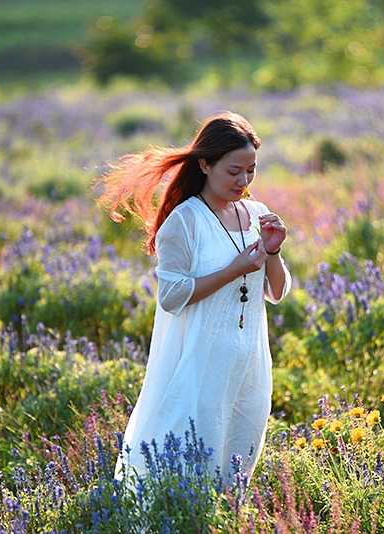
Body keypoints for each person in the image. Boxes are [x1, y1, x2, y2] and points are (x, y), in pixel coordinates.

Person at [96, 111, 290, 483]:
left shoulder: (257, 214)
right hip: (202, 361)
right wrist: (234, 270)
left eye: (251, 170)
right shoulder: (184, 221)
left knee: (236, 467)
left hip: (249, 360)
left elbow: (277, 292)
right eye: (234, 171)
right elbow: (172, 296)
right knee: (189, 463)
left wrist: (275, 252)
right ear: (205, 164)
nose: (244, 180)